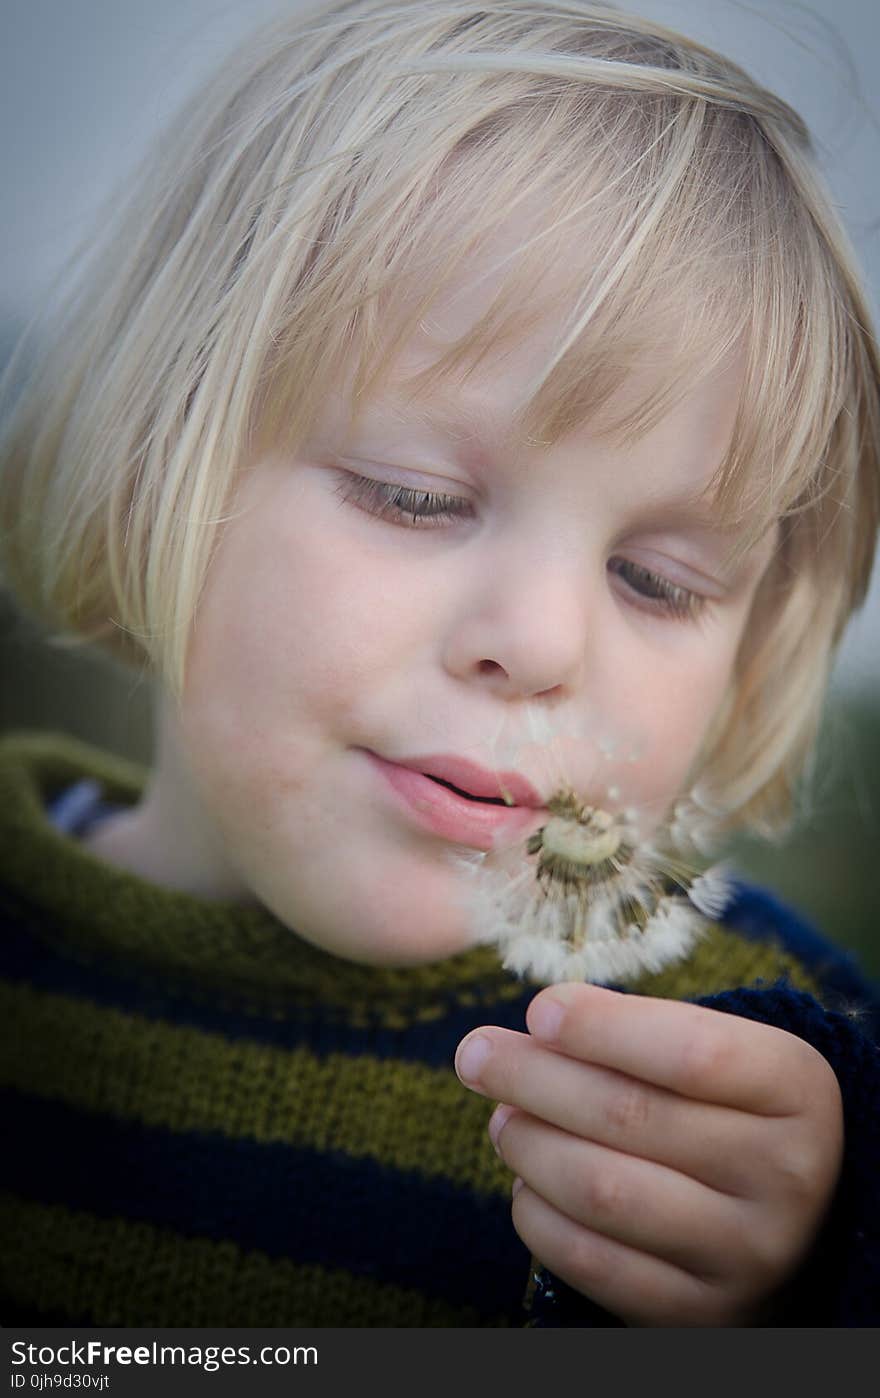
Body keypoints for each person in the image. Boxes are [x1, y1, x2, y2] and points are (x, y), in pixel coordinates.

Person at [0, 0, 878, 1328]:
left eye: (655, 579)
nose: (535, 642)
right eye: (414, 495)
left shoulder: (767, 1074)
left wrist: (816, 1278)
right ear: (159, 451)